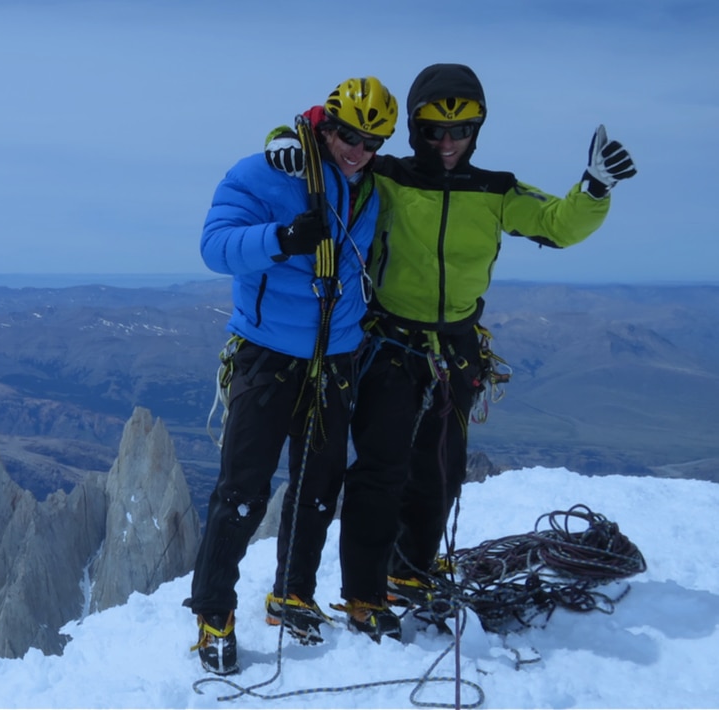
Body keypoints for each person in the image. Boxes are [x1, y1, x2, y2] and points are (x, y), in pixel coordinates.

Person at [264, 63, 637, 642]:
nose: (447, 142)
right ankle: (364, 590)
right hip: (390, 344)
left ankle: (409, 568)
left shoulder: (495, 190)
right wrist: (287, 139)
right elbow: (331, 145)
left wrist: (593, 188)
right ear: (414, 128)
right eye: (434, 130)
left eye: (461, 130)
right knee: (382, 470)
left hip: (456, 349)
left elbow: (556, 225)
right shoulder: (386, 175)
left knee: (441, 471)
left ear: (477, 131)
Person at [187, 77, 399, 675]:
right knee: (243, 491)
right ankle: (212, 614)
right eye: (349, 136)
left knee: (316, 486)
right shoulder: (264, 172)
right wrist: (280, 239)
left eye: (373, 141)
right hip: (268, 352)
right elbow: (215, 246)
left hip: (336, 356)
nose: (358, 150)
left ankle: (291, 593)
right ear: (325, 124)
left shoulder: (371, 186)